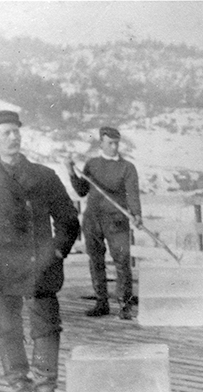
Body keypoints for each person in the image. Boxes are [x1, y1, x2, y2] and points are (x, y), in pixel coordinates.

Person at [0, 110, 81, 392]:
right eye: (6, 133)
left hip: (39, 267)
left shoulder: (44, 177)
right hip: (0, 270)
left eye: (16, 131)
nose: (13, 137)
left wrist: (56, 253)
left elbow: (69, 220)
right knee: (7, 330)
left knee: (46, 329)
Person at [67, 126, 142, 320]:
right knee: (96, 261)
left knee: (122, 261)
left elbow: (132, 194)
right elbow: (82, 191)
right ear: (101, 143)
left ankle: (124, 305)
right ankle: (102, 303)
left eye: (117, 143)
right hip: (92, 220)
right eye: (110, 143)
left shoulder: (127, 167)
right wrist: (71, 172)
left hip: (117, 221)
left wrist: (136, 215)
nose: (114, 147)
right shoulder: (92, 164)